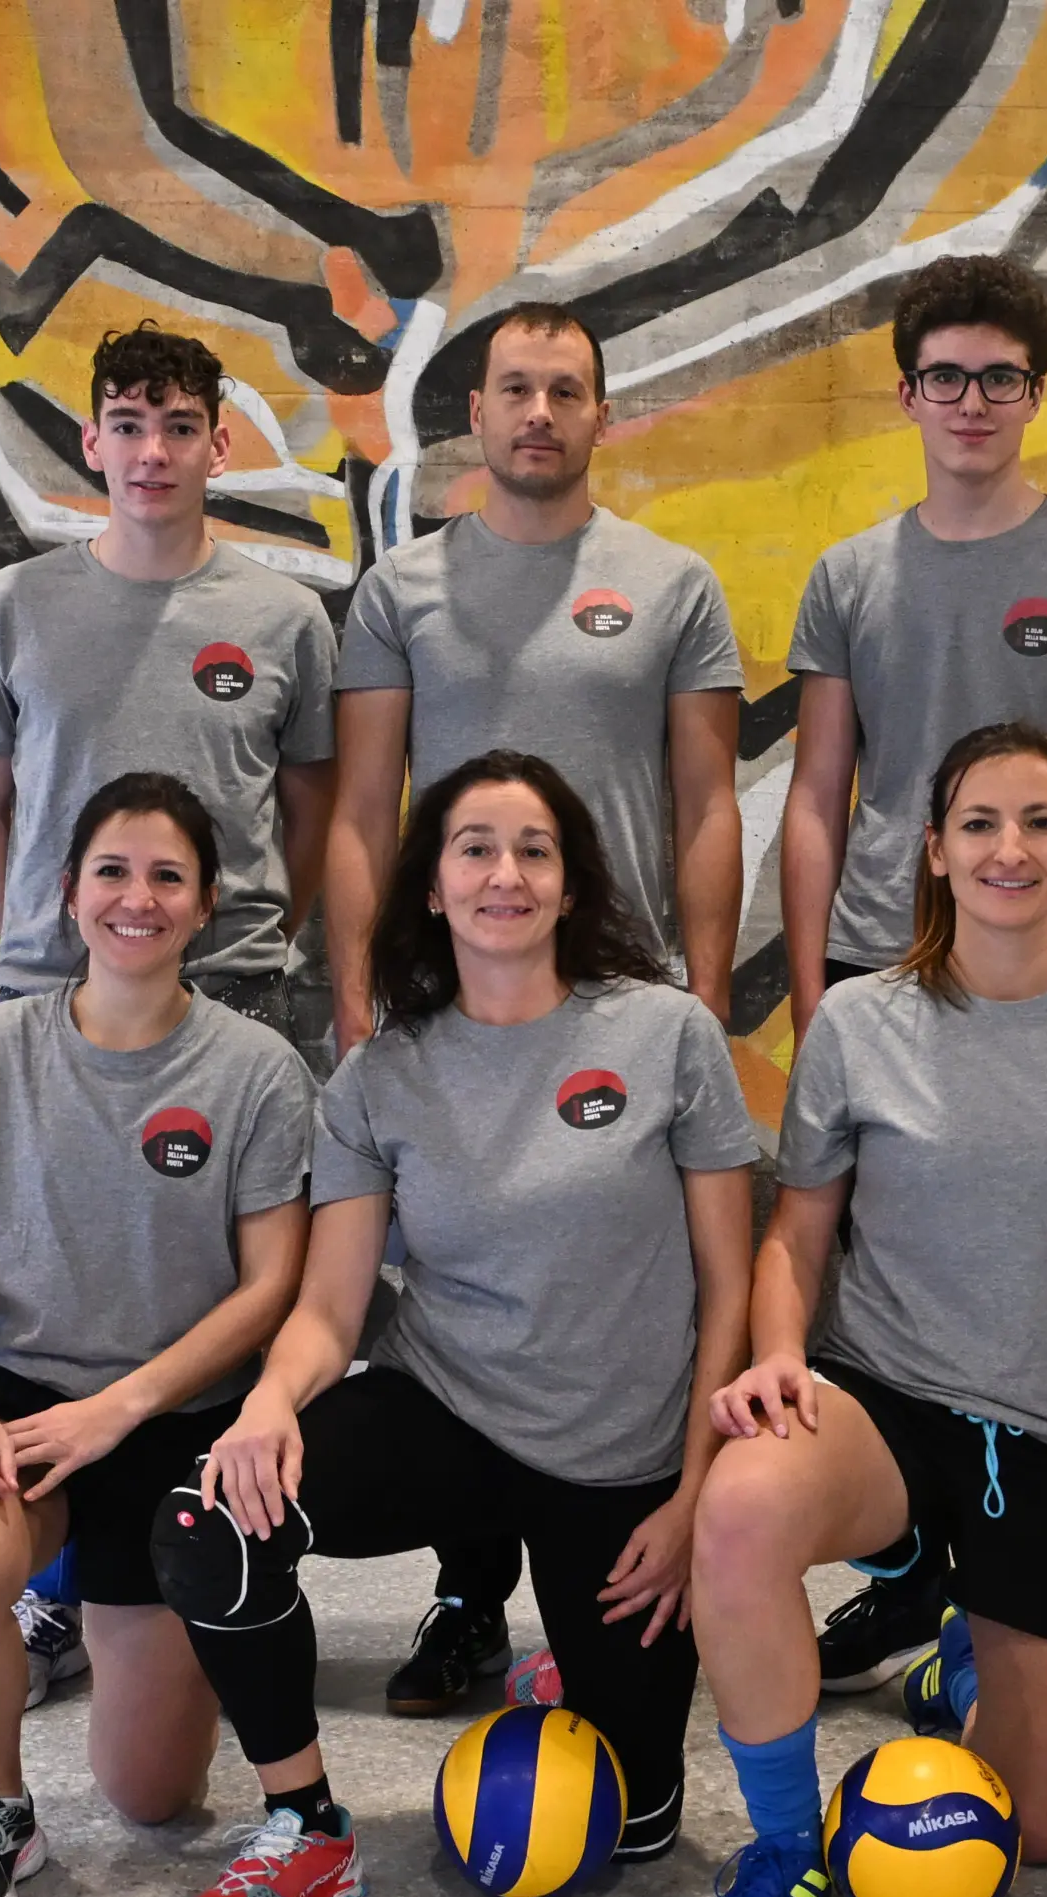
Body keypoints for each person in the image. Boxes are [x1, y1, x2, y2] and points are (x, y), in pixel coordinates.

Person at [153, 751, 758, 1897]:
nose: (505, 874)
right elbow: (330, 1307)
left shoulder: (667, 1036)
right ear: (432, 886)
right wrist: (270, 1403)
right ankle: (307, 1824)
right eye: (474, 848)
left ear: (572, 884)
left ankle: (564, 1667)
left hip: (621, 1454)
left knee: (634, 1834)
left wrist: (697, 1499)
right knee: (207, 1520)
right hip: (454, 1411)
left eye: (534, 849)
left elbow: (729, 1287)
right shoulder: (382, 1076)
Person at [687, 724, 1047, 1897]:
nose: (1010, 848)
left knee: (1033, 1833)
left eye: (1041, 821)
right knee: (742, 1509)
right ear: (933, 851)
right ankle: (780, 1851)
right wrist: (777, 1355)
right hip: (892, 1399)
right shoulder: (860, 1023)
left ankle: (963, 1654)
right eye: (979, 822)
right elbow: (796, 1236)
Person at [325, 302, 746, 1714]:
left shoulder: (673, 582)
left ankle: (623, 1546)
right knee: (454, 1287)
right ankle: (466, 1599)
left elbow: (705, 806)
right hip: (452, 993)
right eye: (517, 388)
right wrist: (354, 995)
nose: (541, 412)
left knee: (601, 1291)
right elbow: (363, 805)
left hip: (620, 995)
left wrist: (698, 987)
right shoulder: (402, 588)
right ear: (480, 413)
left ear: (601, 415)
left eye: (568, 390)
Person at [779, 255, 1047, 1730]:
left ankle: (1013, 1581)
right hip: (887, 973)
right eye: (945, 376)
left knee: (1033, 1274)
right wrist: (818, 974)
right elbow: (819, 791)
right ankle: (908, 1553)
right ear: (908, 394)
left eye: (998, 377)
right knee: (861, 1285)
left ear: (1034, 391)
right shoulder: (855, 573)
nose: (971, 401)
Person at [0, 321, 340, 1698]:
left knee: (224, 1292)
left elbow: (309, 808)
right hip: (60, 991)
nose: (154, 448)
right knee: (60, 1283)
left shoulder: (287, 618)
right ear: (94, 443)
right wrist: (42, 945)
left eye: (181, 424)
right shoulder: (14, 607)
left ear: (220, 443)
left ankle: (212, 1559)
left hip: (237, 990)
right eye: (129, 421)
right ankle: (61, 1579)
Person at [0, 774, 316, 1897]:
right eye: (112, 872)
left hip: (176, 1422)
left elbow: (274, 1284)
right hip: (23, 1402)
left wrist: (122, 1410)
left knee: (153, 1800)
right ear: (69, 895)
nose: (139, 897)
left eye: (167, 875)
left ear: (207, 903)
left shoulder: (259, 1071)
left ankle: (108, 1616)